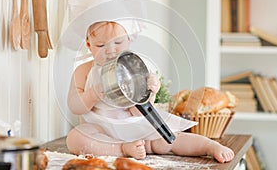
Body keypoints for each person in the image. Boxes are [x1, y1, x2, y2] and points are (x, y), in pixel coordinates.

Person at [66, 20, 235, 163]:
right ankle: (122, 149)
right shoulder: (83, 71)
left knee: (170, 138)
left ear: (129, 40)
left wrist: (150, 93)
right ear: (89, 45)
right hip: (102, 133)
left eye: (118, 43)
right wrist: (93, 94)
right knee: (74, 138)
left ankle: (207, 146)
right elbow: (75, 106)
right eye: (101, 45)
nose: (111, 50)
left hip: (134, 128)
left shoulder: (132, 69)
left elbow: (137, 112)